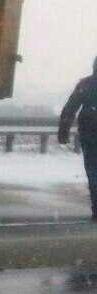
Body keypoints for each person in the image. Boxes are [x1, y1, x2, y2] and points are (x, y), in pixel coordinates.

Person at [57, 57, 97, 220]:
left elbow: (70, 107)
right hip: (89, 133)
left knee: (92, 171)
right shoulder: (85, 85)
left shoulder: (85, 84)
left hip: (89, 134)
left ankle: (96, 207)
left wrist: (63, 130)